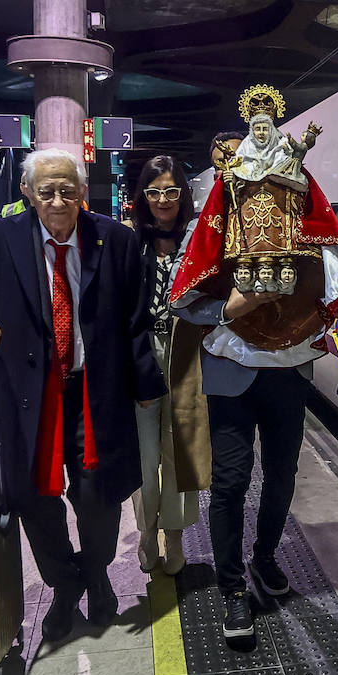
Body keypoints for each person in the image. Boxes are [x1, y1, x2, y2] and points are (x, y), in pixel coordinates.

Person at [0, 149, 165, 642]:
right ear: (27, 192)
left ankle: (97, 572)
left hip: (94, 391)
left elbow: (135, 320)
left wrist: (146, 383)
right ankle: (64, 583)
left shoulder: (115, 240)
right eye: (46, 190)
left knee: (98, 494)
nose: (57, 199)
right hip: (30, 398)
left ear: (82, 191)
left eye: (68, 189)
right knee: (34, 497)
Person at [171, 99, 338, 646]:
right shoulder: (213, 228)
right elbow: (181, 300)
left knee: (282, 475)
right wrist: (232, 309)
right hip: (231, 371)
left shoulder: (307, 232)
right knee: (230, 483)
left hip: (287, 372)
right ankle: (231, 590)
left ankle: (266, 557)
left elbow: (335, 271)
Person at [129, 155, 210, 575]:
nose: (163, 200)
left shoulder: (197, 242)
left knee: (178, 451)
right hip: (143, 358)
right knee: (144, 457)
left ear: (183, 196)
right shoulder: (129, 242)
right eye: (155, 191)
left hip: (186, 358)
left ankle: (175, 535)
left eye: (172, 191)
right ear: (143, 196)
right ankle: (146, 533)